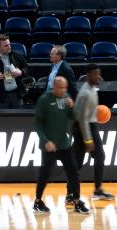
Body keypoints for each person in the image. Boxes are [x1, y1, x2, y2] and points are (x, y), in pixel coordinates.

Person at [34, 76, 88, 214]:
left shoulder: (66, 97)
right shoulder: (44, 100)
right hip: (50, 146)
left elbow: (74, 117)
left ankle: (76, 201)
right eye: (61, 87)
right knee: (45, 174)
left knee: (74, 174)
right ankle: (38, 201)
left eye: (65, 88)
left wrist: (73, 107)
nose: (63, 90)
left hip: (65, 144)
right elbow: (38, 124)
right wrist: (45, 141)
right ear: (54, 86)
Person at [72, 63, 113, 201]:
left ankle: (98, 190)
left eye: (99, 73)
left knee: (100, 157)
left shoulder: (92, 88)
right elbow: (82, 119)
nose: (98, 77)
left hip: (91, 124)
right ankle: (70, 194)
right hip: (82, 128)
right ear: (89, 75)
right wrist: (88, 140)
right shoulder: (85, 93)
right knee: (78, 162)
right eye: (96, 74)